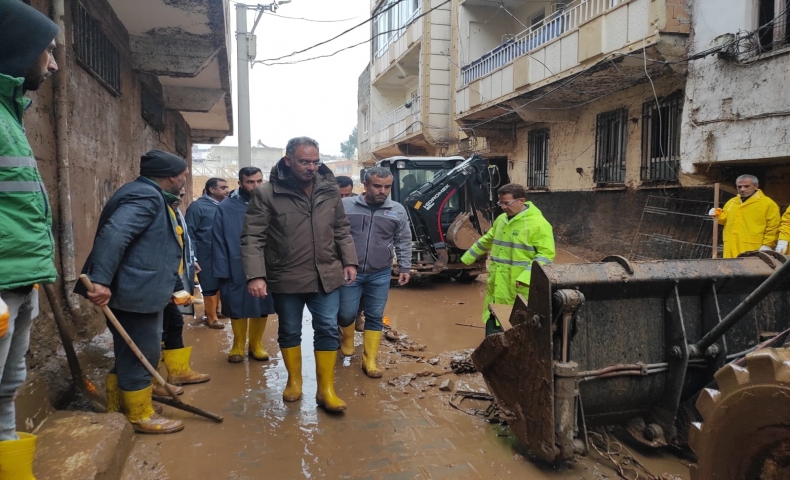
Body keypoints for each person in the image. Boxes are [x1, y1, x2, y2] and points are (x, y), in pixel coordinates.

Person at [75, 150, 189, 434]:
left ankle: (120, 406)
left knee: (130, 351)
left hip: (139, 288)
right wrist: (100, 280)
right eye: (183, 175)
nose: (185, 180)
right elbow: (115, 235)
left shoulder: (143, 192)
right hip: (135, 291)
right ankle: (140, 414)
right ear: (171, 176)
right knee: (143, 352)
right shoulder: (146, 196)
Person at [242, 136, 358, 412]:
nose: (311, 167)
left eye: (315, 162)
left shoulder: (329, 191)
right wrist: (256, 275)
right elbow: (252, 237)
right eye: (304, 162)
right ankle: (294, 381)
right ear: (288, 160)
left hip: (325, 274)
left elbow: (341, 229)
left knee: (327, 328)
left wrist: (349, 261)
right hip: (286, 275)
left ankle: (326, 390)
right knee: (290, 329)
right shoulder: (267, 193)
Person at [0, 0, 58, 473]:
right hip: (1, 282)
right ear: (19, 48)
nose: (53, 64)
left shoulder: (10, 115)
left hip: (19, 279)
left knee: (8, 385)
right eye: (48, 50)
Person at [338, 167, 411, 378]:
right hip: (350, 271)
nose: (382, 191)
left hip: (380, 272)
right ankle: (347, 337)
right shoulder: (346, 206)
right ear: (365, 185)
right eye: (377, 186)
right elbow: (333, 236)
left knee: (375, 315)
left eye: (387, 187)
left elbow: (403, 239)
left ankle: (369, 360)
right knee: (346, 313)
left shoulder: (397, 210)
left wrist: (405, 266)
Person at [461, 183, 555, 336]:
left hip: (519, 286)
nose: (503, 207)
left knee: (518, 324)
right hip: (497, 282)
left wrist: (526, 277)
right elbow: (488, 239)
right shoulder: (501, 220)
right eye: (500, 203)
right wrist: (467, 257)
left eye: (507, 203)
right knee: (493, 318)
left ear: (521, 201)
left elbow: (546, 255)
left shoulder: (539, 224)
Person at [212, 167, 276, 363]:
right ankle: (238, 344)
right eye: (250, 182)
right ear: (240, 183)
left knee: (262, 303)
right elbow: (218, 240)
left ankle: (256, 344)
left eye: (259, 181)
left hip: (265, 263)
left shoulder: (271, 203)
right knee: (237, 304)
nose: (255, 185)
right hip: (236, 264)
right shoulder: (226, 207)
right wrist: (222, 270)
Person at [157, 192, 210, 391]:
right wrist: (177, 289)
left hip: (168, 279)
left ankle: (178, 372)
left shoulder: (174, 213)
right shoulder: (157, 213)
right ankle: (145, 386)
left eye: (181, 194)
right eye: (175, 194)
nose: (179, 198)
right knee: (152, 334)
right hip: (150, 284)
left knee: (174, 323)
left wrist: (190, 261)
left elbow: (182, 243)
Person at [185, 177, 229, 329]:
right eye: (223, 187)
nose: (227, 190)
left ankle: (215, 310)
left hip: (221, 252)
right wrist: (193, 256)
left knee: (219, 282)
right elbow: (189, 233)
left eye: (227, 187)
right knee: (209, 283)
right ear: (212, 189)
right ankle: (211, 318)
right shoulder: (197, 207)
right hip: (205, 253)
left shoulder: (225, 205)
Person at [709, 175, 780, 258]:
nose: (742, 189)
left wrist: (767, 244)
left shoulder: (767, 204)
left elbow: (773, 226)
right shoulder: (732, 202)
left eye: (747, 186)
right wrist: (718, 215)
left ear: (756, 186)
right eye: (739, 187)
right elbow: (726, 221)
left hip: (752, 249)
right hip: (730, 247)